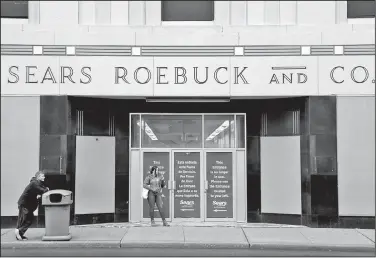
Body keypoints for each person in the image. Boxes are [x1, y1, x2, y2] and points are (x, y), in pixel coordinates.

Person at [15, 171, 49, 240]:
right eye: (43, 176)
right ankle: (19, 232)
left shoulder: (37, 183)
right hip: (24, 204)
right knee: (25, 219)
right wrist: (46, 189)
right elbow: (43, 190)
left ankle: (19, 233)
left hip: (27, 204)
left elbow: (41, 189)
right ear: (38, 177)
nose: (44, 177)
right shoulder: (34, 183)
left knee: (28, 219)